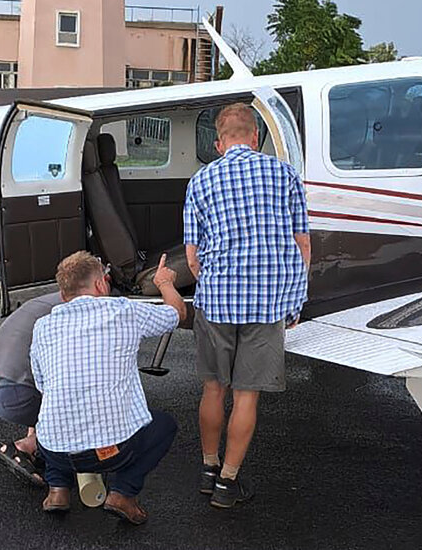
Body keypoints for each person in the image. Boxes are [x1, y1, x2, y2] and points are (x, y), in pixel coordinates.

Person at [183, 104, 311, 509]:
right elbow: (302, 245)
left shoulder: (201, 180)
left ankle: (207, 467)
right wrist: (293, 301)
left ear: (219, 144)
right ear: (256, 138)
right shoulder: (285, 174)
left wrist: (214, 285)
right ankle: (227, 483)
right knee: (246, 396)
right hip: (268, 302)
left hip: (218, 302)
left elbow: (192, 255)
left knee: (212, 388)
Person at [30, 251, 185, 525]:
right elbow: (177, 313)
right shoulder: (123, 310)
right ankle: (124, 493)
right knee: (165, 426)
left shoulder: (43, 326)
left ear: (63, 292)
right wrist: (165, 284)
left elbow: (42, 385)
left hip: (54, 451)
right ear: (101, 284)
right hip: (112, 451)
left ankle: (58, 489)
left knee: (55, 414)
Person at [0, 292, 62, 486]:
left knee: (39, 379)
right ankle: (25, 447)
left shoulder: (43, 300)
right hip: (14, 394)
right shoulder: (80, 312)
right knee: (85, 403)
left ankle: (36, 444)